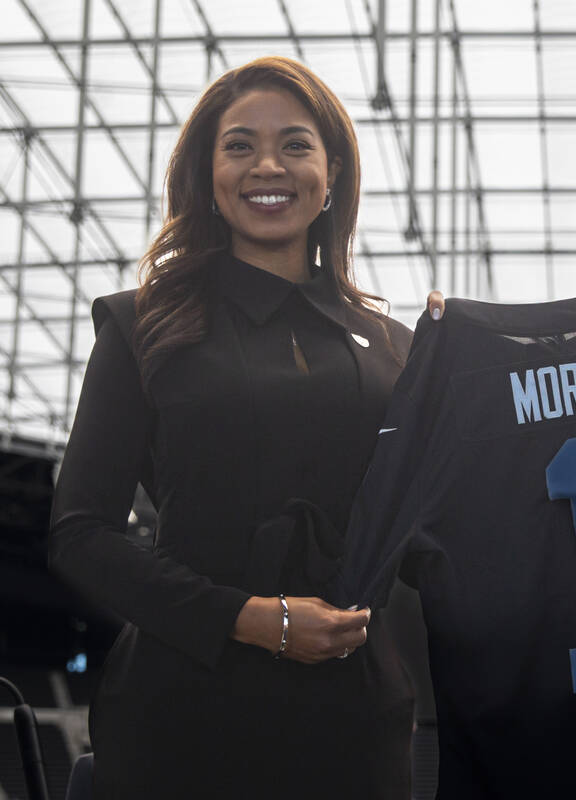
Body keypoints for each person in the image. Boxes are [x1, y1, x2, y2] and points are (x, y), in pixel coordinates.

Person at [49, 57, 423, 798]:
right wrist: (251, 619)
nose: (267, 166)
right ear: (207, 175)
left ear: (332, 173)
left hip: (355, 732)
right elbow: (79, 534)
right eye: (240, 145)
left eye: (294, 144)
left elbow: (457, 515)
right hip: (184, 724)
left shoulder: (395, 349)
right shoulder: (141, 325)